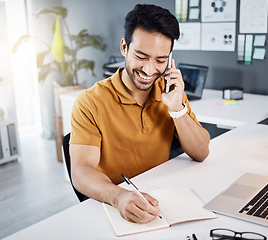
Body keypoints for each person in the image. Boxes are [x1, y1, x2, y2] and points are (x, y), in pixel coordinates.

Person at [69, 4, 210, 224]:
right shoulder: (90, 101)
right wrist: (118, 197)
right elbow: (80, 171)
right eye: (141, 56)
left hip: (161, 200)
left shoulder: (170, 91)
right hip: (113, 206)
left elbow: (201, 152)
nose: (149, 70)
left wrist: (177, 108)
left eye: (160, 60)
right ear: (124, 47)